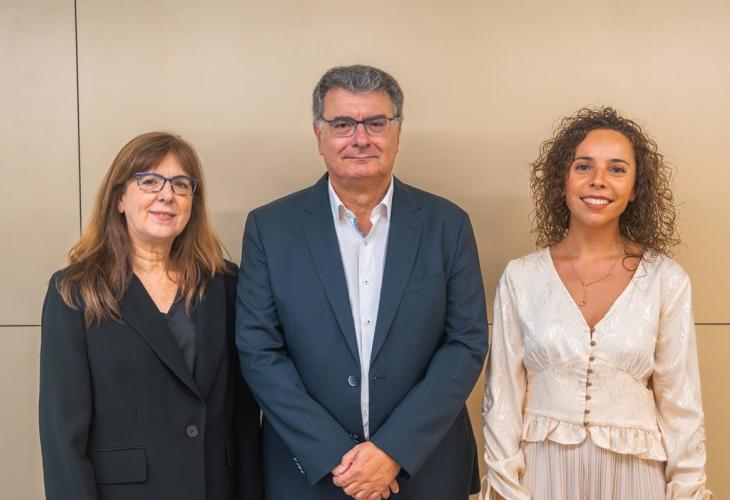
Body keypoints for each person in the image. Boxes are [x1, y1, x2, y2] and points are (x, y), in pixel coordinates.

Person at [236, 64, 488, 500]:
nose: (360, 138)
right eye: (342, 124)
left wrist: (393, 450)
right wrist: (337, 456)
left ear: (397, 132)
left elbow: (465, 344)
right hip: (311, 473)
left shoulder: (448, 225)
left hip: (424, 471)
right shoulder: (270, 228)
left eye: (375, 123)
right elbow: (260, 351)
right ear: (318, 134)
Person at [482, 107, 711, 499]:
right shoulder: (521, 277)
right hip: (541, 476)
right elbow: (501, 395)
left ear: (636, 188)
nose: (598, 180)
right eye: (583, 166)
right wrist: (505, 485)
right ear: (562, 180)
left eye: (617, 169)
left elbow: (681, 404)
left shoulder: (665, 279)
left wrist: (688, 489)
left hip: (635, 477)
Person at [39, 132, 262, 500]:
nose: (167, 194)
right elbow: (62, 436)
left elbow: (244, 422)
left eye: (181, 184)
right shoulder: (76, 291)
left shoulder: (225, 285)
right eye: (149, 181)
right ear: (119, 198)